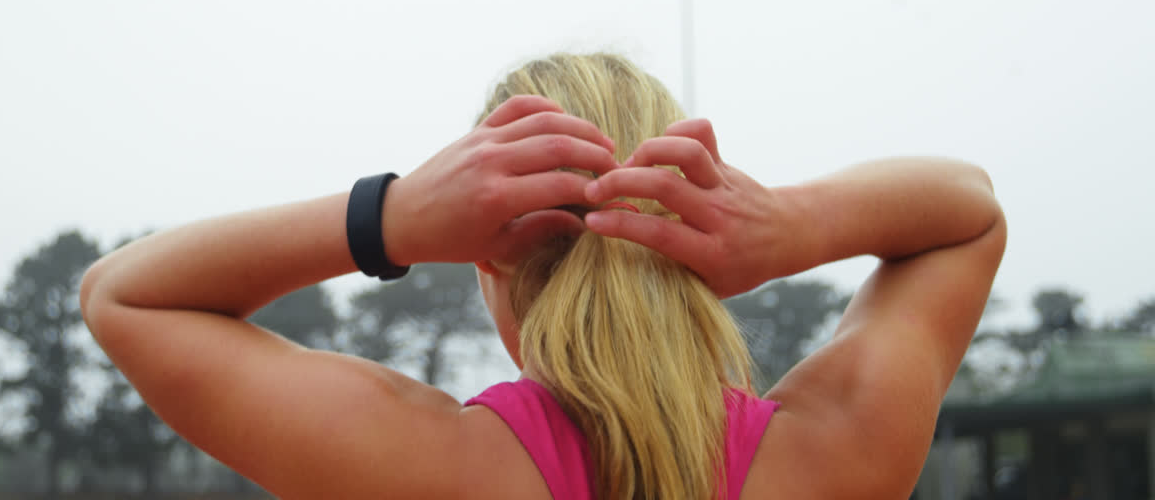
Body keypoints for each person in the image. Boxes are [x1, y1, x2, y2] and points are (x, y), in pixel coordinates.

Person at [80, 52, 1005, 500]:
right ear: (698, 215)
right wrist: (794, 228)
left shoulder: (439, 468)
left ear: (483, 249)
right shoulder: (827, 457)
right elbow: (968, 215)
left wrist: (390, 217)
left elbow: (124, 294)